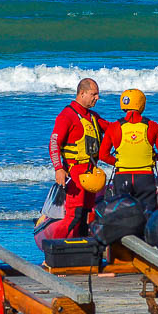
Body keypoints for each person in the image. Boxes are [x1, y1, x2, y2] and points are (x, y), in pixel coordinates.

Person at [49, 78, 111, 238]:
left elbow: (113, 130)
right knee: (73, 215)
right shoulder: (67, 115)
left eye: (98, 94)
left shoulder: (92, 116)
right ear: (82, 93)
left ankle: (82, 252)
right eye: (94, 94)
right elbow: (54, 142)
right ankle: (53, 253)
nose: (97, 98)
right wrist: (58, 169)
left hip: (91, 174)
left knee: (86, 215)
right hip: (75, 174)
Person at [98, 89, 158, 212]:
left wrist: (119, 161)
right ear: (142, 104)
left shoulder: (114, 127)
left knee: (122, 215)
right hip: (145, 178)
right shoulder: (153, 126)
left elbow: (103, 155)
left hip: (122, 177)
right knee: (147, 214)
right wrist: (152, 157)